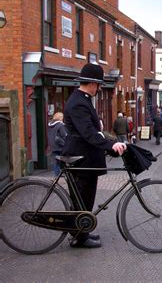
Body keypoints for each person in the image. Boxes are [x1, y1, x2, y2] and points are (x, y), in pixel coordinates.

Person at [62, 63, 126, 248]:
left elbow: (94, 132)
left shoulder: (82, 99)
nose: (99, 89)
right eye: (99, 85)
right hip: (80, 158)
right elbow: (88, 133)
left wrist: (110, 144)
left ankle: (82, 232)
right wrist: (111, 145)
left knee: (86, 198)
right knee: (82, 198)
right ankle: (79, 237)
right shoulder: (78, 103)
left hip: (86, 157)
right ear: (92, 84)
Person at [47, 112, 67, 176]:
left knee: (55, 161)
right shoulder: (60, 125)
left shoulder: (50, 125)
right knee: (63, 159)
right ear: (60, 118)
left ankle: (57, 173)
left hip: (52, 145)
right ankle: (62, 172)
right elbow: (64, 135)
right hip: (60, 145)